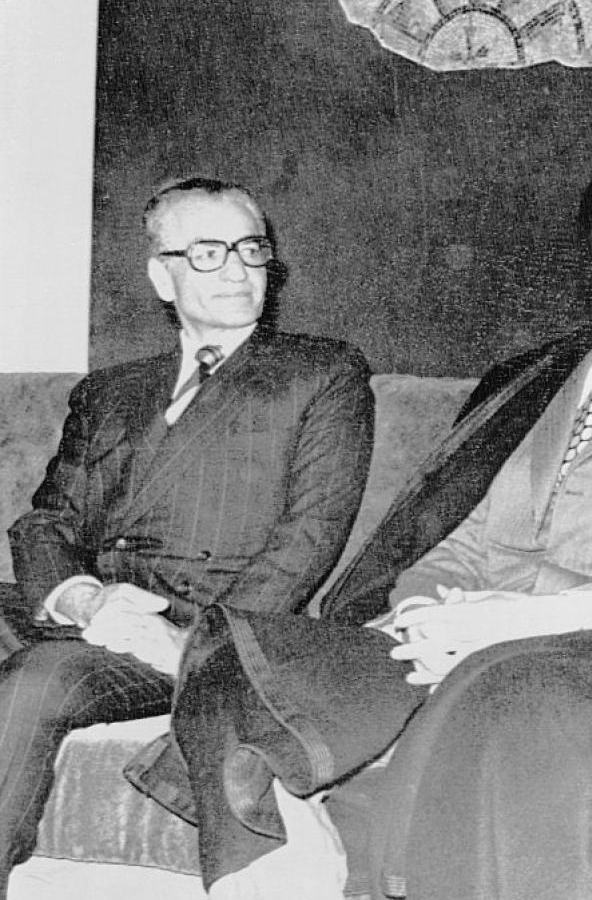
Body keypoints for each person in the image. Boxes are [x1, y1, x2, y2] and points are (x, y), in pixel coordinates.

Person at [128, 137, 592, 900]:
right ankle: (286, 876)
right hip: (481, 631)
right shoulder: (526, 380)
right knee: (236, 652)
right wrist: (425, 617)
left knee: (507, 691)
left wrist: (521, 622)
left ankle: (371, 866)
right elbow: (458, 532)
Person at [0, 177, 375, 894]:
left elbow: (309, 535)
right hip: (97, 612)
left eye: (250, 248)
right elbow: (47, 520)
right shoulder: (109, 391)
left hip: (195, 631)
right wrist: (84, 599)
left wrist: (191, 646)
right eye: (207, 252)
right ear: (160, 276)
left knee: (43, 679)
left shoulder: (320, 373)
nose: (236, 269)